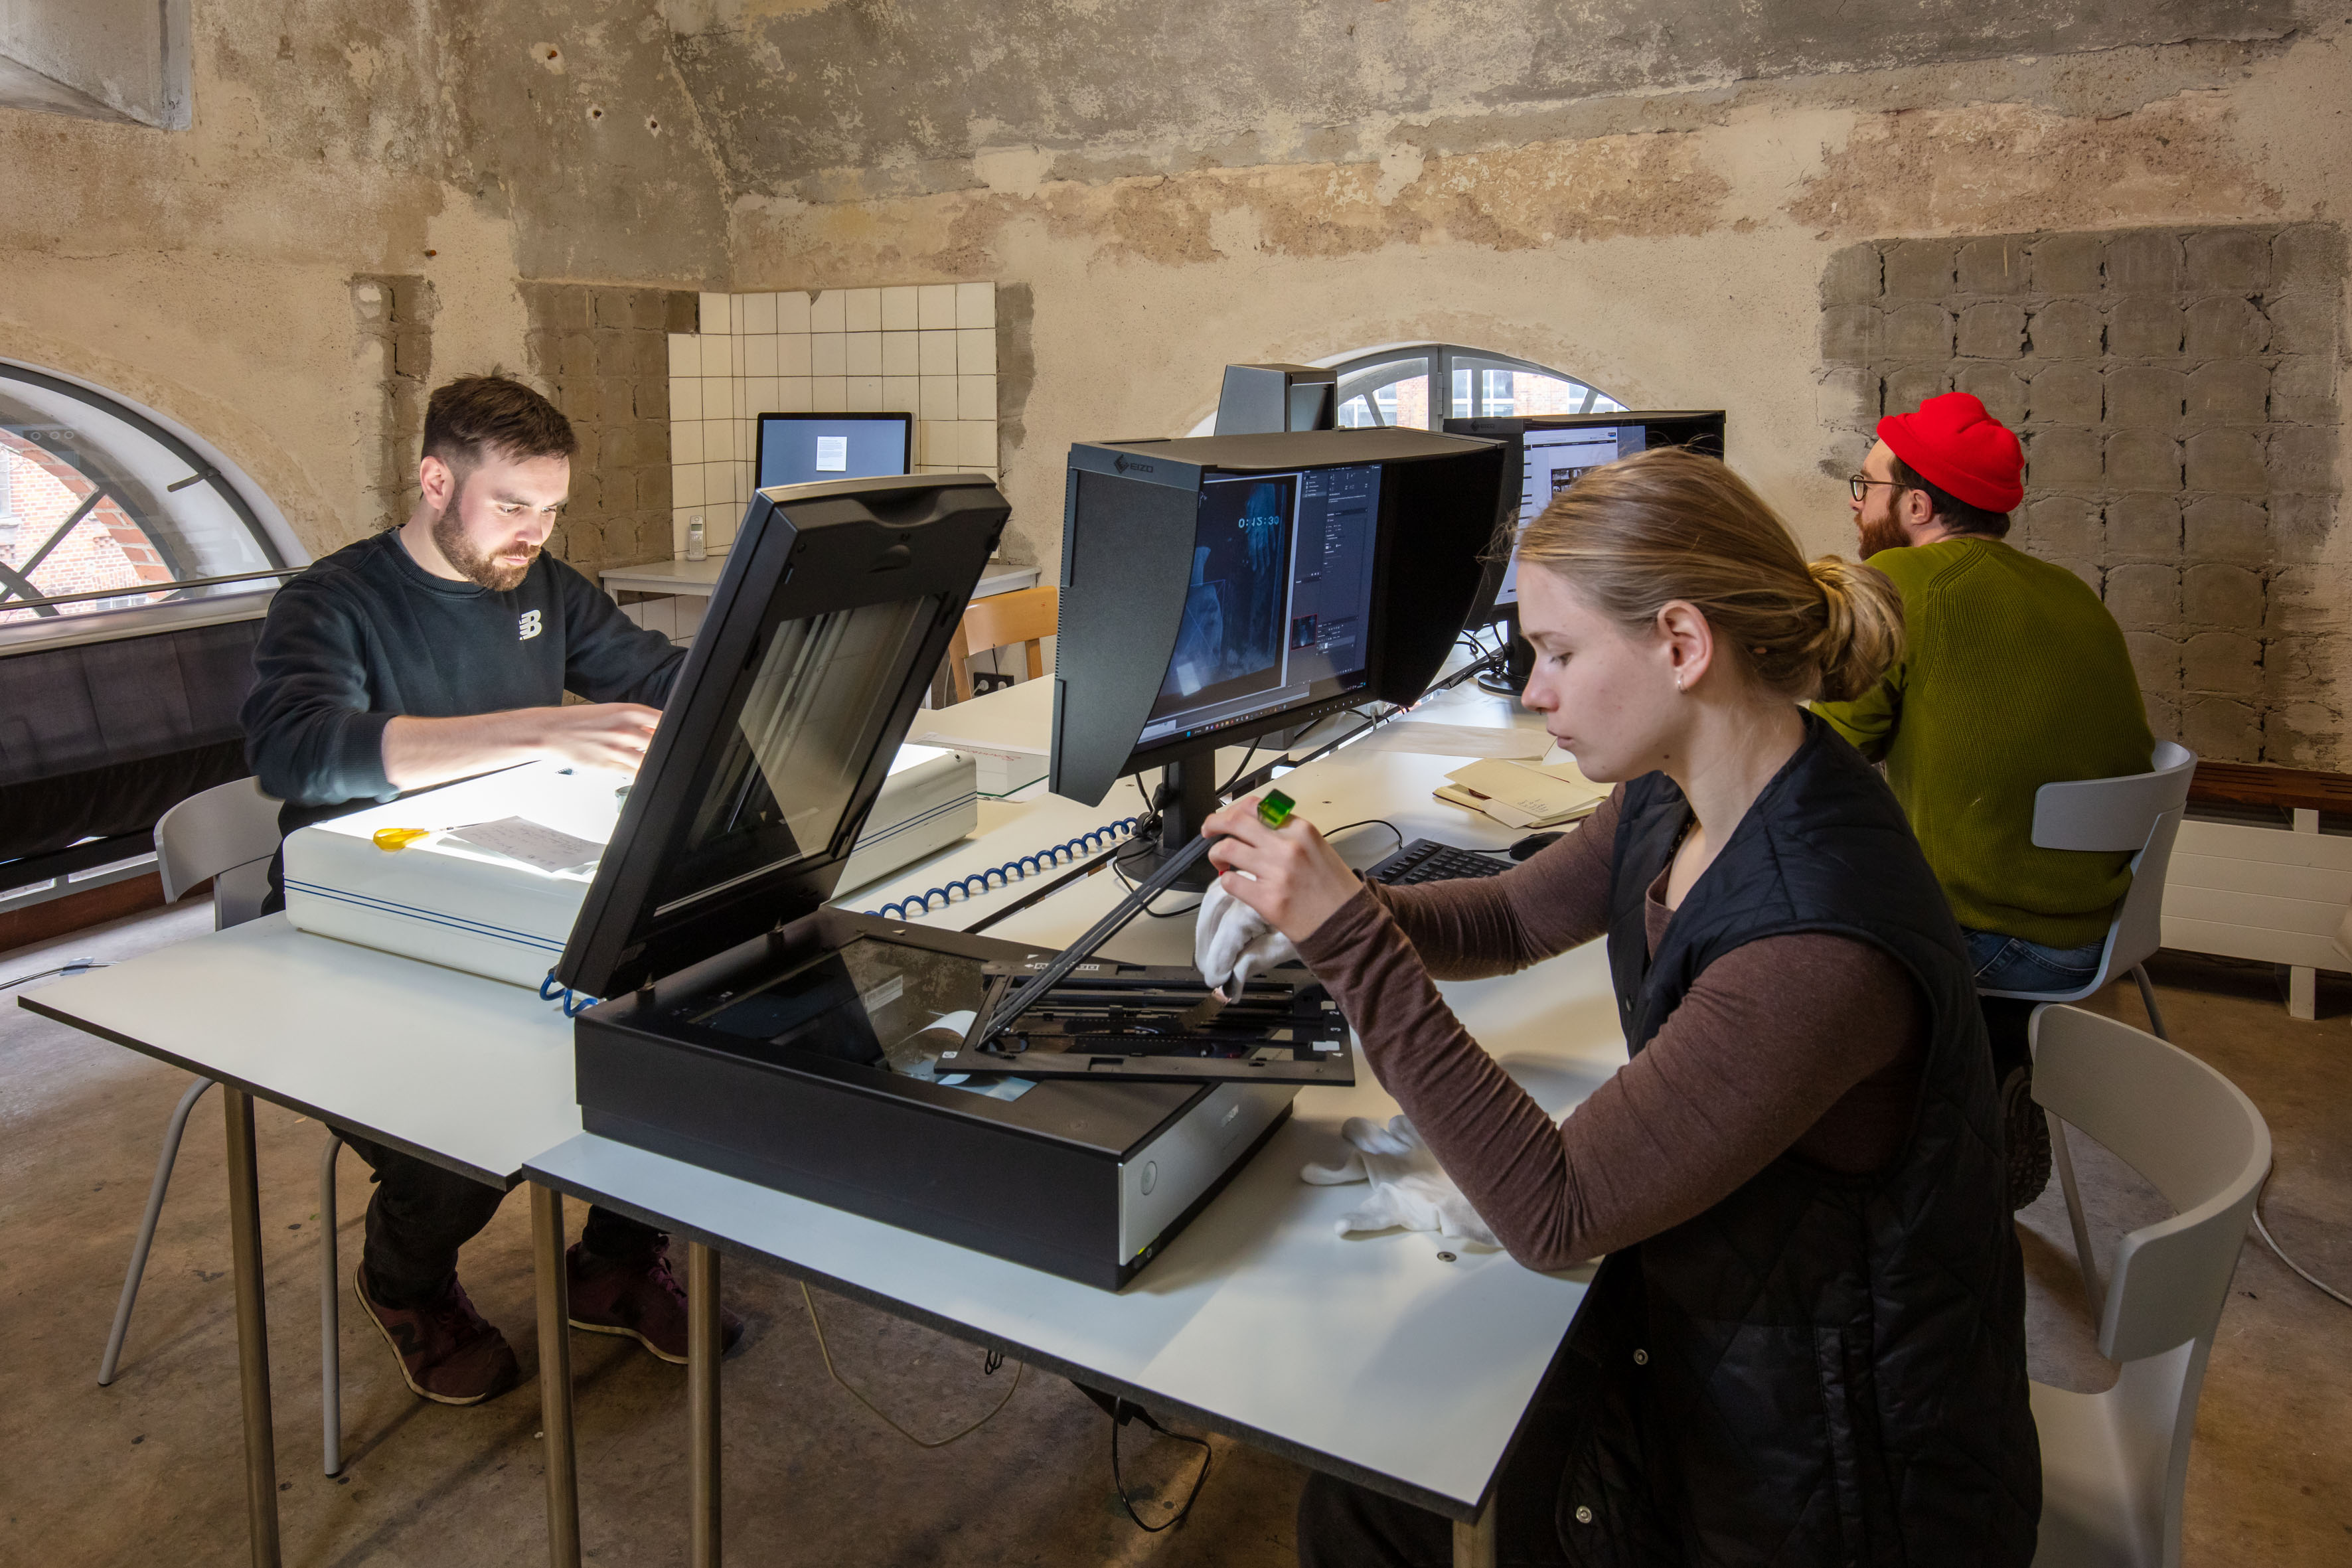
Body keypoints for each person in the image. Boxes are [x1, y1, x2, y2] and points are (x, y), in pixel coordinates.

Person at [1202, 447, 2039, 1567]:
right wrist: (1332, 912)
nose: (1531, 690)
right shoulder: (1683, 790)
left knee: (1375, 1506)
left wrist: (1350, 938)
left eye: (1556, 652)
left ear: (1681, 644)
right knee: (1371, 1484)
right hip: (1743, 1332)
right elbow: (1512, 917)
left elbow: (1554, 1210)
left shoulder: (1817, 940)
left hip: (1833, 1470)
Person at [242, 374, 742, 1405]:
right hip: (347, 923)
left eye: (550, 508)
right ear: (436, 481)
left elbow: (654, 674)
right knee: (462, 1125)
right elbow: (295, 749)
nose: (533, 532)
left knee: (678, 1039)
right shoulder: (332, 601)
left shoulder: (543, 585)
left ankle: (610, 1262)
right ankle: (405, 1284)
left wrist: (767, 661)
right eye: (512, 505)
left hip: (494, 887)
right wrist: (539, 727)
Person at [1814, 390, 2156, 1204]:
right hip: (2101, 924)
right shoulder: (2069, 590)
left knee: (1796, 935)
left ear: (1917, 506)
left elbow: (1829, 745)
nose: (1856, 505)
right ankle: (1998, 1062)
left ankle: (1934, 1117)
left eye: (1867, 486)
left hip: (1999, 938)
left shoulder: (1900, 577)